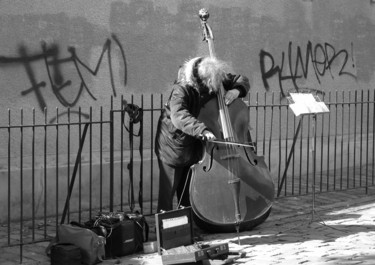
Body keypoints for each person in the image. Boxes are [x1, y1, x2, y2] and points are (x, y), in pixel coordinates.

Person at [155, 56, 250, 213]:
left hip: (194, 143)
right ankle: (164, 227)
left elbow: (240, 79)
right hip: (174, 145)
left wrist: (236, 90)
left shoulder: (213, 76)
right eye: (211, 82)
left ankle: (186, 227)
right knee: (169, 190)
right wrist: (202, 130)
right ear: (200, 78)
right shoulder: (181, 89)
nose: (215, 86)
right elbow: (179, 116)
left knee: (188, 190)